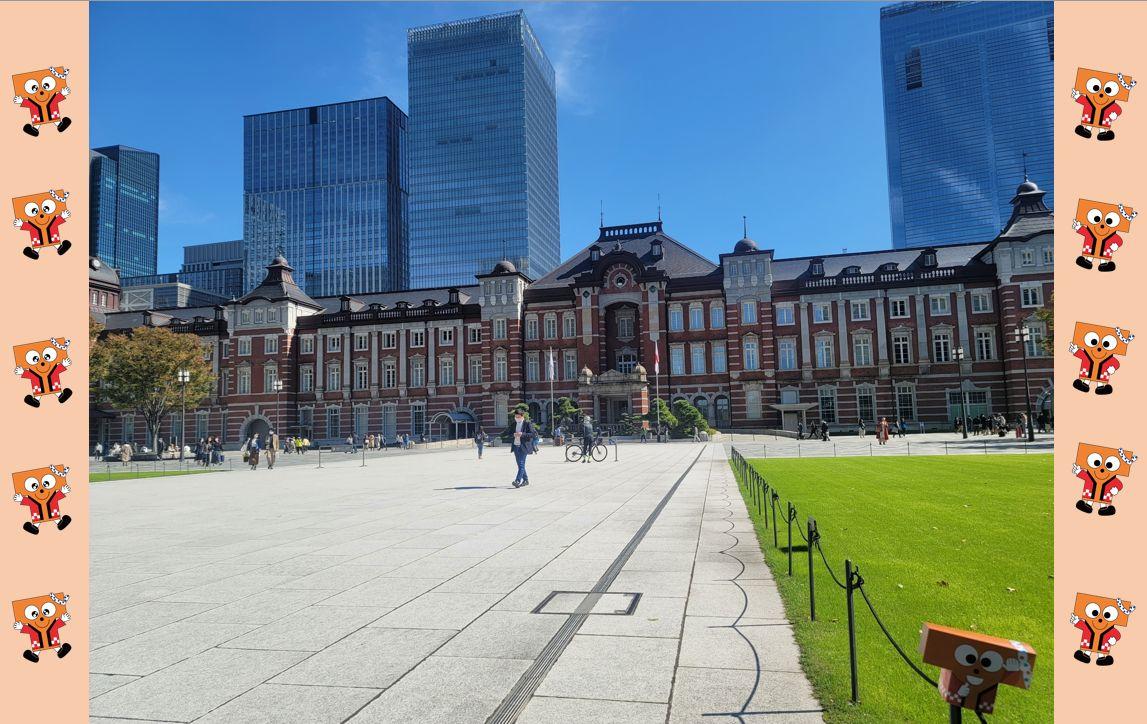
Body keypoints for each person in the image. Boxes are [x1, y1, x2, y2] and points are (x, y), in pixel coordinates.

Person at [509, 409, 536, 488]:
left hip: (523, 446)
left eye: (518, 417)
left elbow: (532, 434)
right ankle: (526, 480)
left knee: (521, 464)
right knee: (520, 465)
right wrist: (513, 434)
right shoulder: (514, 424)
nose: (517, 418)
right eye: (516, 416)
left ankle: (517, 480)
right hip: (515, 446)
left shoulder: (527, 424)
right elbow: (509, 433)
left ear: (522, 416)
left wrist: (522, 434)